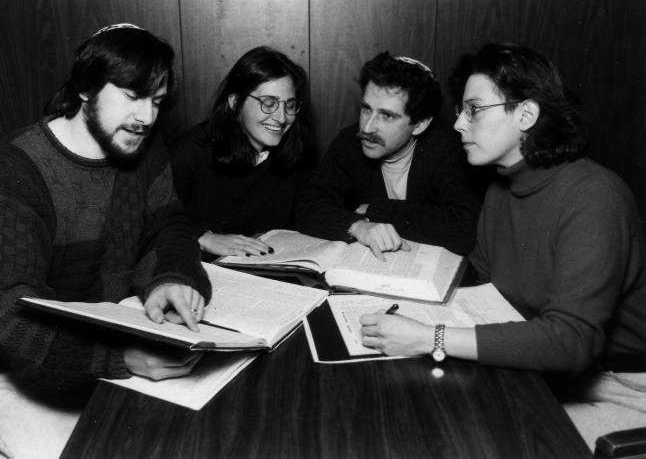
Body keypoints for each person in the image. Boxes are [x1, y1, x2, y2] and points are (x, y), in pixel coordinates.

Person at [360, 42, 646, 448]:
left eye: (473, 109)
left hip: (622, 385)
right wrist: (405, 279)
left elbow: (571, 340)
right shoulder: (502, 186)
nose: (459, 123)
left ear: (526, 114)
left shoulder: (594, 196)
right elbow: (483, 288)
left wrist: (431, 337)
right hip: (542, 368)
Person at [0, 23, 211, 458]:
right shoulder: (16, 172)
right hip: (3, 369)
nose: (146, 117)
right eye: (133, 96)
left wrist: (170, 278)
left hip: (101, 342)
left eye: (157, 102)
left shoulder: (143, 146)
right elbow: (6, 311)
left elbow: (168, 226)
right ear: (86, 88)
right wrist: (119, 360)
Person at [295, 52, 482, 260]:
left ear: (420, 124)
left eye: (387, 116)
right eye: (366, 109)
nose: (367, 127)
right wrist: (356, 226)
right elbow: (307, 207)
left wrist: (378, 210)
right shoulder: (349, 143)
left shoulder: (448, 149)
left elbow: (465, 228)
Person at [169, 46, 316, 260]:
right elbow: (151, 218)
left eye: (289, 105)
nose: (282, 117)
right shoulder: (190, 151)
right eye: (269, 103)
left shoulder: (299, 152)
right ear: (235, 102)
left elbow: (312, 210)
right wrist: (202, 237)